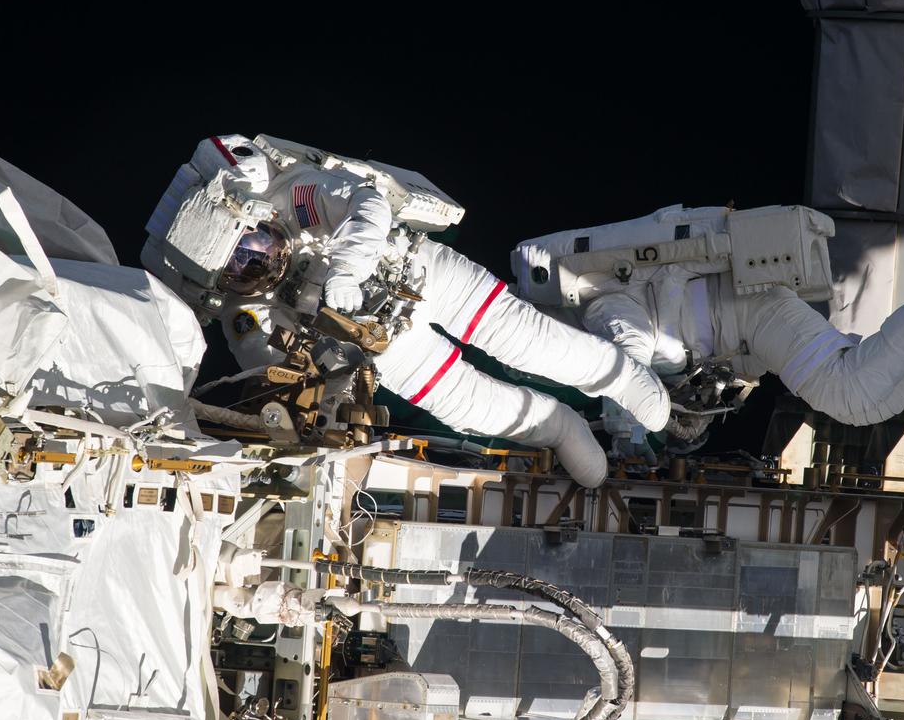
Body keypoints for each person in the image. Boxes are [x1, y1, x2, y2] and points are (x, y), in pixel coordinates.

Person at [142, 134, 669, 487]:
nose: (259, 265)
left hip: (424, 276)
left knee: (532, 345)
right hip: (384, 347)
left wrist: (346, 270)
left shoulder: (294, 195)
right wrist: (328, 391)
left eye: (254, 247)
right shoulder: (242, 308)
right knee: (474, 409)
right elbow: (269, 364)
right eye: (241, 270)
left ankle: (624, 378)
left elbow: (367, 205)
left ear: (253, 217)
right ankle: (561, 428)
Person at [511, 204, 904, 449]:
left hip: (754, 311)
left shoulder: (596, 306)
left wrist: (628, 427)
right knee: (867, 405)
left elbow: (632, 350)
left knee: (849, 396)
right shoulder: (596, 313)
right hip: (752, 326)